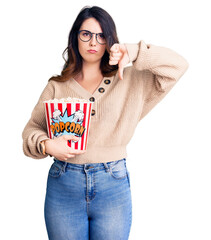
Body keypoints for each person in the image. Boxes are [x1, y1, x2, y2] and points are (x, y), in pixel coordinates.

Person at [22, 5, 188, 240]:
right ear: (75, 38)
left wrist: (133, 52)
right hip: (63, 185)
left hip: (113, 184)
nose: (93, 42)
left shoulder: (131, 80)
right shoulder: (56, 86)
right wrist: (48, 145)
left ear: (110, 41)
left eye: (101, 36)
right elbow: (31, 130)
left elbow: (177, 66)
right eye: (86, 34)